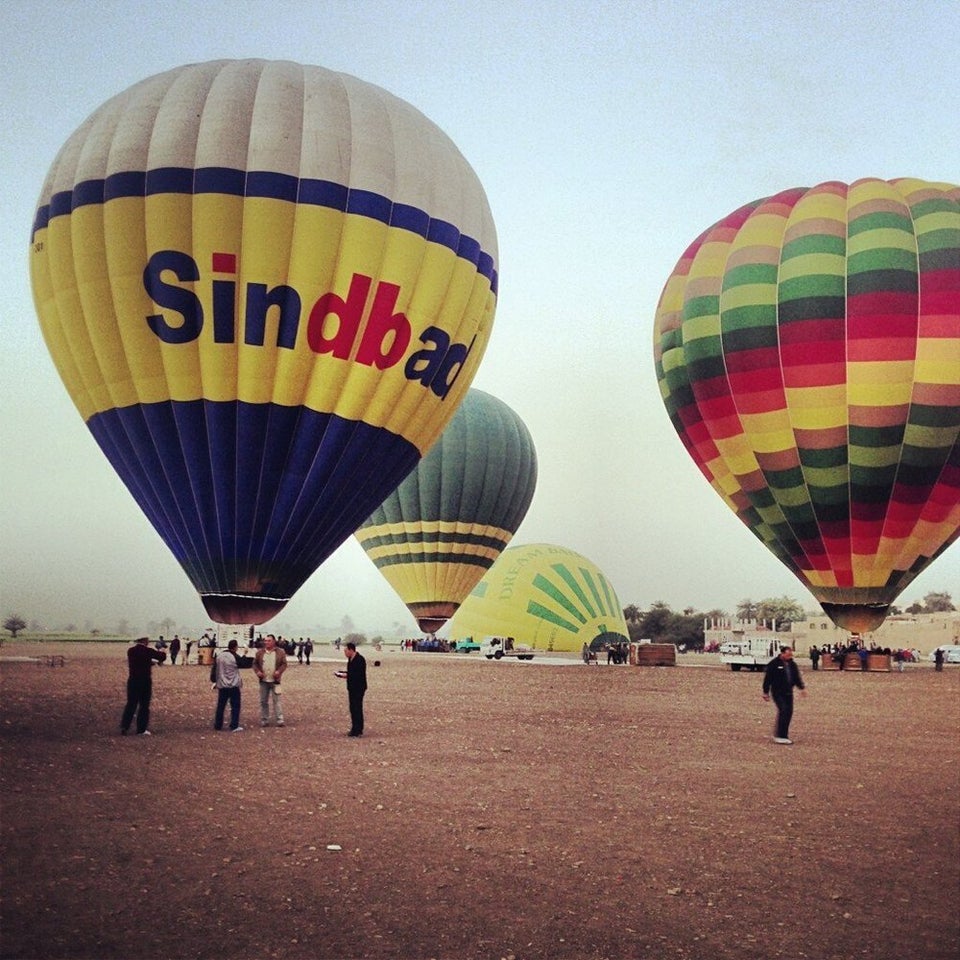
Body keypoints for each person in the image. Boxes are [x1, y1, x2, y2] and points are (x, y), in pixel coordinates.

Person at [120, 636, 166, 735]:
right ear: (145, 641)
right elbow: (162, 656)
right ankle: (141, 729)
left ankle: (125, 726)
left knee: (131, 704)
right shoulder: (148, 651)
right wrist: (161, 650)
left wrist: (150, 662)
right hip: (144, 681)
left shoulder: (131, 651)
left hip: (133, 680)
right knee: (144, 705)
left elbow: (140, 662)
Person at [761, 645, 807, 745]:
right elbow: (767, 679)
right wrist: (765, 692)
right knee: (784, 710)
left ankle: (783, 735)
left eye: (791, 654)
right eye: (788, 654)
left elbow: (796, 677)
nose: (790, 656)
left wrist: (801, 688)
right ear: (782, 653)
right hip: (777, 692)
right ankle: (780, 735)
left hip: (788, 692)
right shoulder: (774, 664)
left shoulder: (792, 664)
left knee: (789, 712)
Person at [253, 634, 287, 727]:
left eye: (269, 641)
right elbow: (254, 664)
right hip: (263, 681)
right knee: (263, 701)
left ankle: (280, 720)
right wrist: (258, 672)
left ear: (274, 641)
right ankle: (265, 719)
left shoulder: (280, 652)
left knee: (277, 701)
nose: (266, 642)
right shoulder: (260, 653)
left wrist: (279, 671)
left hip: (275, 681)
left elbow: (284, 664)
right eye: (265, 640)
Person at [211, 639, 244, 732]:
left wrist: (214, 681)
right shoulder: (234, 656)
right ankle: (234, 725)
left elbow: (214, 670)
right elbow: (243, 663)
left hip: (222, 684)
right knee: (235, 706)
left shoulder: (220, 656)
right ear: (236, 647)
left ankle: (218, 725)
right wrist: (245, 654)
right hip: (233, 684)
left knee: (221, 706)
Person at [344, 641, 367, 737]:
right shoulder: (350, 659)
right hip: (352, 688)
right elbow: (351, 672)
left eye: (346, 651)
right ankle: (354, 728)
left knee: (357, 708)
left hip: (359, 688)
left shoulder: (360, 659)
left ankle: (358, 730)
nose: (345, 653)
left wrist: (347, 675)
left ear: (351, 650)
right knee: (352, 708)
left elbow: (358, 674)